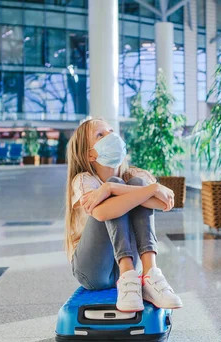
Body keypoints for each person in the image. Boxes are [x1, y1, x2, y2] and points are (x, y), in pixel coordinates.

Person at [64, 117, 183, 312]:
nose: (111, 136)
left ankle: (150, 274)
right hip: (92, 271)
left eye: (111, 131)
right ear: (90, 155)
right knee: (120, 194)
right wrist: (146, 189)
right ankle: (127, 273)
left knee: (135, 184)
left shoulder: (135, 175)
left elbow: (163, 204)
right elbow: (102, 213)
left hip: (129, 267)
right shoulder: (83, 180)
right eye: (100, 135)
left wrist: (112, 188)